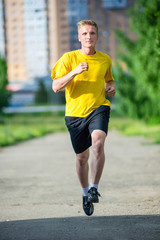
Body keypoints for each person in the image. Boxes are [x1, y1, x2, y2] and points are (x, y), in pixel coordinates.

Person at [51, 20, 116, 216]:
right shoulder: (68, 58)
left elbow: (109, 79)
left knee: (98, 142)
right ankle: (85, 192)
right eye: (85, 33)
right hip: (75, 115)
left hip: (99, 108)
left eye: (92, 33)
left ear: (97, 36)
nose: (89, 37)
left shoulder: (105, 59)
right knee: (81, 157)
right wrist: (74, 71)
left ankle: (94, 188)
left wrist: (111, 86)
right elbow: (55, 86)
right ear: (79, 37)